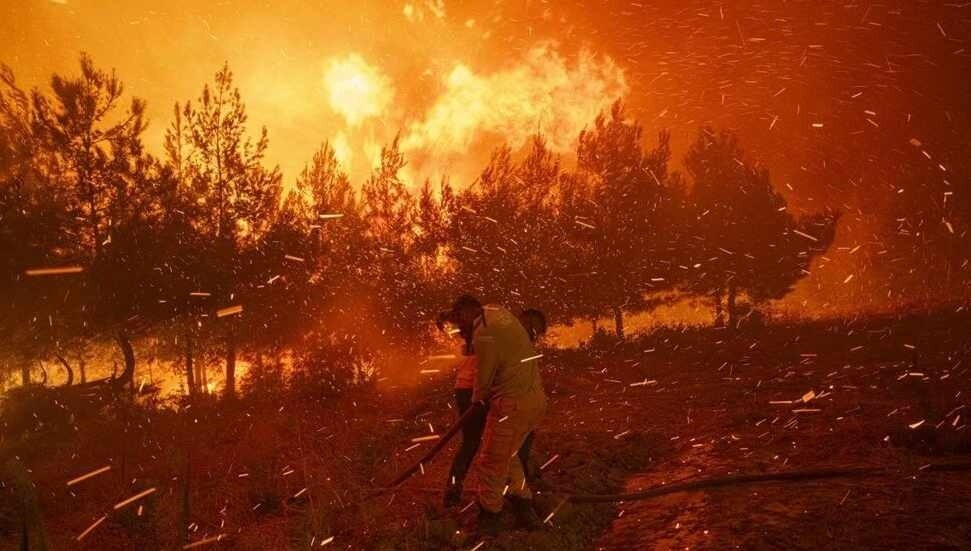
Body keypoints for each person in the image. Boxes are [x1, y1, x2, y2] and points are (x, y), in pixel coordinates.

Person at [448, 295, 547, 535]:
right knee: (510, 454)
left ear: (468, 310)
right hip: (534, 402)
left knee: (490, 460)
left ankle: (490, 516)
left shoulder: (485, 333)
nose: (460, 325)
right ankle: (524, 505)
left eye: (459, 318)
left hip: (511, 405)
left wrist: (476, 401)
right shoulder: (499, 313)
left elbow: (484, 376)